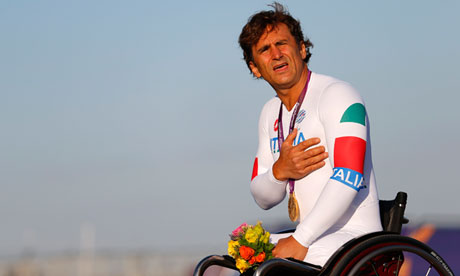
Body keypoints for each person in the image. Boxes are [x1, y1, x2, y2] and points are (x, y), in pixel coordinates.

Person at [239, 3, 382, 267]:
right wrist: (279, 171)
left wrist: (300, 240)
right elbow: (262, 197)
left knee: (275, 267)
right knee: (240, 253)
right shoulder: (270, 113)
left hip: (355, 235)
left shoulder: (339, 94)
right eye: (264, 50)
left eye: (282, 43)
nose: (276, 54)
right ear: (255, 68)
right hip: (313, 235)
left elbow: (349, 177)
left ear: (302, 49)